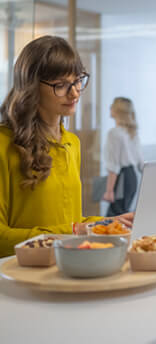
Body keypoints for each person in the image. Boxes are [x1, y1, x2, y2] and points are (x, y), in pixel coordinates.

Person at [0, 35, 133, 258]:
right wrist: (73, 231)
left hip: (65, 269)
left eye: (78, 80)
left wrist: (109, 222)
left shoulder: (72, 143)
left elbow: (70, 223)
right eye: (60, 85)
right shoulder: (4, 144)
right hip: (20, 279)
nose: (74, 93)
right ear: (31, 87)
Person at [103, 97, 144, 217]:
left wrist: (109, 191)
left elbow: (114, 166)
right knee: (124, 213)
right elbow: (141, 162)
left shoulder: (114, 133)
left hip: (121, 178)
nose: (110, 107)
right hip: (132, 178)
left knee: (114, 217)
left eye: (112, 105)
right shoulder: (132, 132)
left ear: (117, 110)